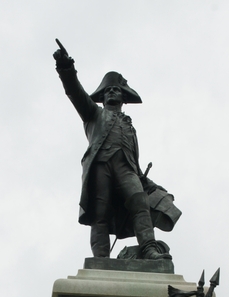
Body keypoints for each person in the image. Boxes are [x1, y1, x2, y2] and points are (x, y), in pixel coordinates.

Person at [53, 40, 180, 260]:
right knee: (99, 214)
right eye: (108, 90)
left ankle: (149, 248)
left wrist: (147, 182)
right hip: (101, 165)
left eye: (116, 90)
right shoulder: (93, 114)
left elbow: (134, 162)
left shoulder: (130, 126)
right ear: (102, 98)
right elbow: (75, 92)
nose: (112, 92)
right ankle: (101, 259)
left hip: (126, 168)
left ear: (123, 97)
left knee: (139, 201)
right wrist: (66, 69)